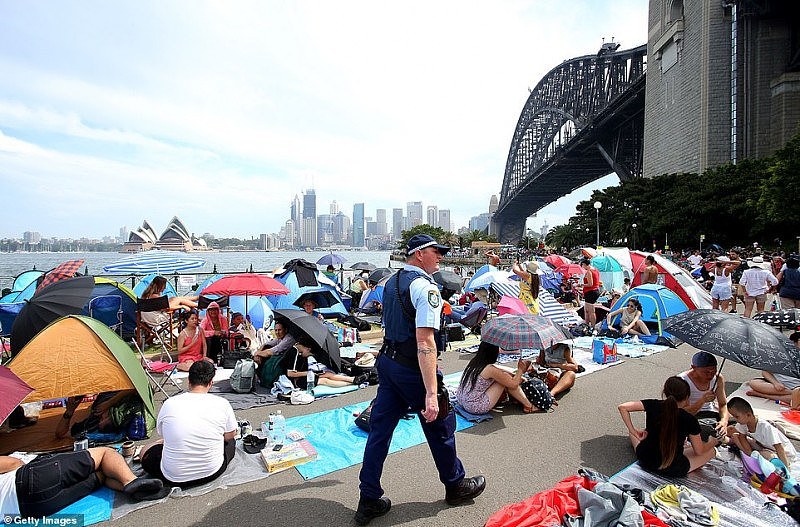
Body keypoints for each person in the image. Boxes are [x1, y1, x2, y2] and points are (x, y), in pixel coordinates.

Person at [356, 234, 485, 525]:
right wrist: (430, 392)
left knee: (380, 431)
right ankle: (455, 485)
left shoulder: (390, 282)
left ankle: (368, 498)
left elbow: (390, 325)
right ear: (419, 254)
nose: (440, 256)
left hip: (388, 362)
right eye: (435, 251)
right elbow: (425, 342)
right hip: (412, 369)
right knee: (439, 427)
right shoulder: (426, 288)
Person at [141, 361, 237, 488]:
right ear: (210, 383)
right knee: (231, 442)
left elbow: (164, 434)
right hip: (211, 472)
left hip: (172, 477)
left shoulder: (170, 403)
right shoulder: (222, 403)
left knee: (144, 452)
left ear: (188, 380)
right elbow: (231, 434)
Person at [1, 448, 167, 518]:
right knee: (104, 454)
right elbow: (14, 464)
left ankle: (129, 489)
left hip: (33, 509)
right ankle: (131, 481)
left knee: (100, 476)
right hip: (28, 478)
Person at [618, 376, 718, 477]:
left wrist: (633, 430)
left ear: (665, 392)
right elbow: (699, 451)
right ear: (687, 397)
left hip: (645, 458)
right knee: (711, 450)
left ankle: (636, 434)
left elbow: (623, 407)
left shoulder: (653, 404)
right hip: (672, 468)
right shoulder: (689, 419)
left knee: (635, 433)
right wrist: (712, 442)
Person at [456, 342, 534, 414]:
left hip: (461, 399)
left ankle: (520, 401)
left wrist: (514, 374)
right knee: (504, 381)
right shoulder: (490, 369)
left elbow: (499, 372)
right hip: (474, 406)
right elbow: (513, 384)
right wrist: (520, 370)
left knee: (504, 377)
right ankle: (528, 406)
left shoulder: (475, 361)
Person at [726, 397, 797, 470]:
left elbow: (780, 448)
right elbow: (742, 437)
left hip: (784, 454)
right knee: (735, 436)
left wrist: (786, 469)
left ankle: (757, 458)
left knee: (767, 456)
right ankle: (751, 456)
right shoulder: (743, 424)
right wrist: (749, 452)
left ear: (748, 415)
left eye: (737, 416)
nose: (735, 419)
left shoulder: (765, 427)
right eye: (733, 416)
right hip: (764, 446)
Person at [678, 351, 730, 439]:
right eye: (706, 372)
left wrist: (724, 421)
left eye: (713, 371)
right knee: (704, 433)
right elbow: (682, 412)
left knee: (741, 421)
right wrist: (702, 400)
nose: (710, 375)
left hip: (710, 413)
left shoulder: (718, 378)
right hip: (691, 416)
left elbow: (723, 404)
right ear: (693, 367)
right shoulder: (682, 381)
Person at [281, 338, 368, 389]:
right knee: (324, 380)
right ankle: (353, 384)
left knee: (328, 374)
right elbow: (290, 373)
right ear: (308, 349)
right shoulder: (294, 353)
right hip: (295, 380)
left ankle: (353, 379)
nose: (307, 356)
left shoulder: (299, 350)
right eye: (310, 354)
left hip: (303, 374)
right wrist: (309, 373)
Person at [745, 332, 800, 408]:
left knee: (795, 397)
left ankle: (761, 394)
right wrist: (775, 383)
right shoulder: (781, 355)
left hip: (796, 388)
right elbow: (765, 371)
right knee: (753, 383)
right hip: (778, 386)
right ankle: (793, 394)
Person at [55, 390, 140, 439]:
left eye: (101, 419)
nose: (101, 417)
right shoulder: (125, 408)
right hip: (115, 388)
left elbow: (60, 433)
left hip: (102, 388)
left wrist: (69, 411)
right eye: (105, 418)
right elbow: (134, 388)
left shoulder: (91, 423)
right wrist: (110, 402)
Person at [253, 321, 297, 387]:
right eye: (275, 330)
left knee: (267, 355)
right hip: (280, 357)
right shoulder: (280, 338)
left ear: (285, 330)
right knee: (265, 347)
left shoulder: (288, 339)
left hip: (287, 361)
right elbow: (266, 344)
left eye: (279, 330)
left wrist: (257, 353)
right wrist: (258, 353)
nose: (277, 332)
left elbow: (271, 352)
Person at [579, 258, 601, 326]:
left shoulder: (589, 272)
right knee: (586, 310)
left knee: (591, 311)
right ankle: (587, 324)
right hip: (594, 291)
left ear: (584, 265)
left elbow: (590, 284)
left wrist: (581, 284)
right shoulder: (595, 270)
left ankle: (593, 326)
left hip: (591, 292)